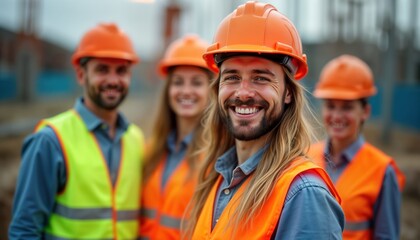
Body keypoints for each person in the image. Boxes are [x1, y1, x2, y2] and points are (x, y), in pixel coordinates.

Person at [182, 2, 345, 239]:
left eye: (260, 78)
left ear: (288, 92)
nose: (243, 92)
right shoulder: (218, 178)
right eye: (232, 77)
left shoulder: (303, 194)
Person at [9, 23, 144, 239]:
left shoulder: (136, 139)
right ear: (81, 75)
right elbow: (25, 229)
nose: (112, 80)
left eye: (121, 71)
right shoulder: (51, 140)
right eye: (102, 69)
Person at [309, 54, 406, 239]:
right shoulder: (306, 157)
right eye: (330, 106)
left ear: (365, 111)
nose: (337, 116)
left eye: (347, 107)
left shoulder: (383, 171)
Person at [139, 34, 214, 239]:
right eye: (178, 82)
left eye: (197, 83)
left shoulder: (217, 158)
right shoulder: (151, 151)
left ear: (211, 91)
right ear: (168, 90)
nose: (186, 91)